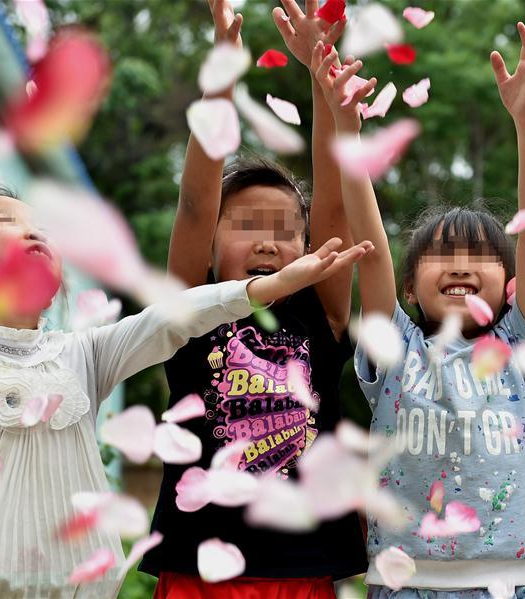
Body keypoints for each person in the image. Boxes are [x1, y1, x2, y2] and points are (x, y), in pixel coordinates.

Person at [0, 186, 357, 598]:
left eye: (44, 228)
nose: (35, 233)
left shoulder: (83, 354)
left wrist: (266, 288)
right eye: (7, 221)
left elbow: (172, 320)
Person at [312, 22, 525, 599]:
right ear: (407, 291)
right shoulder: (397, 349)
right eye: (441, 255)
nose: (459, 265)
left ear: (510, 286)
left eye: (478, 256)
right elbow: (371, 254)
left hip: (506, 584)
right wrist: (349, 136)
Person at [140, 1, 371, 597]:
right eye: (244, 224)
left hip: (301, 569)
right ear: (211, 247)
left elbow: (336, 205)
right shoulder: (193, 312)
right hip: (200, 570)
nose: (269, 239)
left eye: (286, 228)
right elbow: (193, 205)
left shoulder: (320, 310)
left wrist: (323, 78)